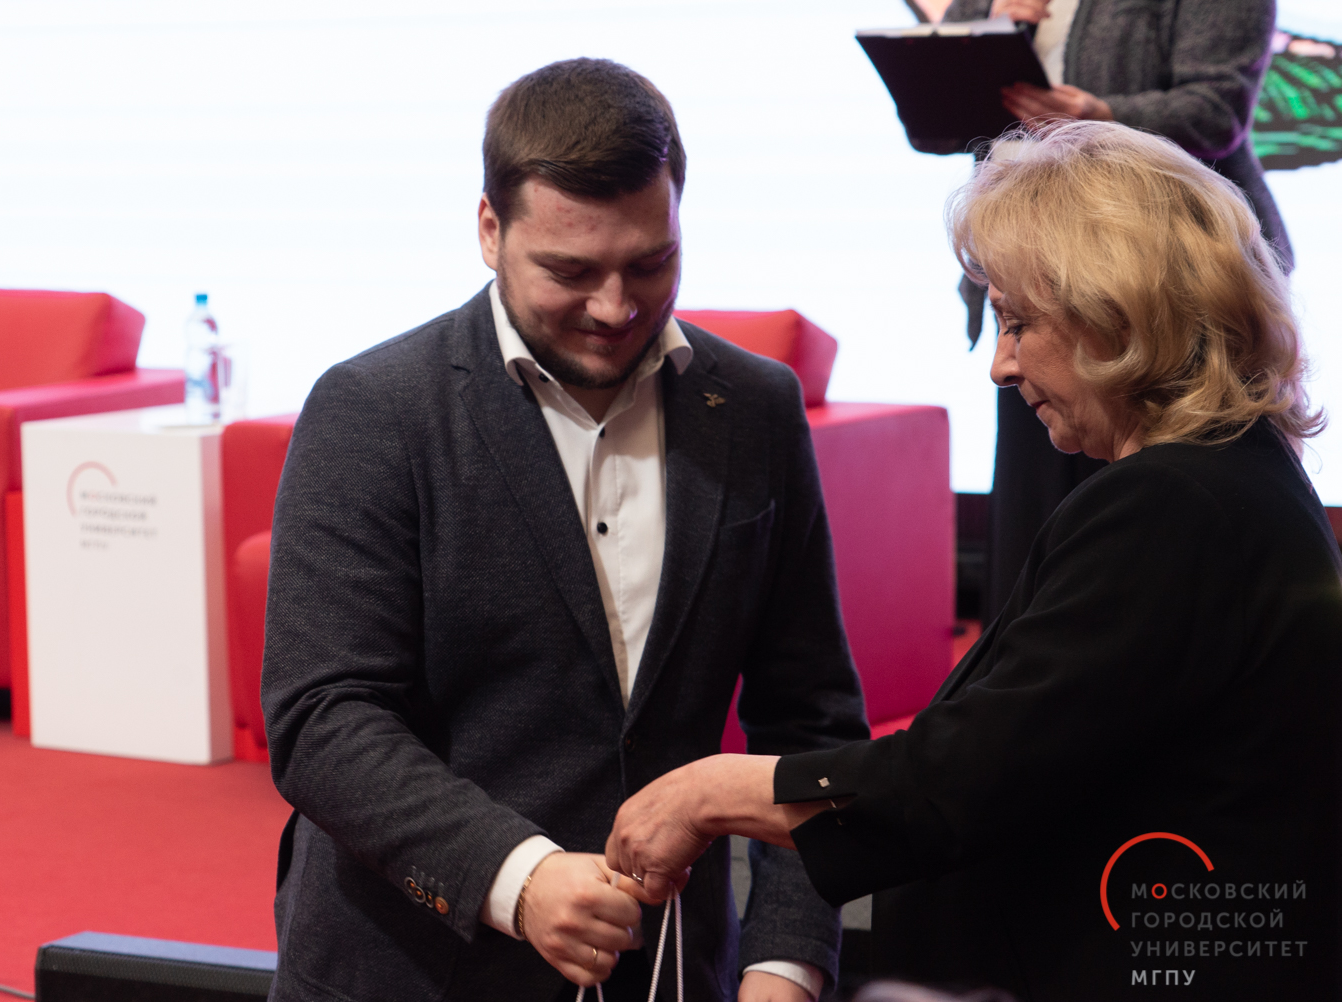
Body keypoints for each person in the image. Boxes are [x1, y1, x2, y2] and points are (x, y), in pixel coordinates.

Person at [605, 120, 1342, 1001]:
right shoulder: (1238, 480)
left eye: (1018, 323)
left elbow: (963, 778)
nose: (1000, 364)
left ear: (1122, 314)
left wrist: (709, 792)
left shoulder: (1173, 503)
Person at [260, 58, 868, 1002]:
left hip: (671, 971)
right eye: (570, 271)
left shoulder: (754, 407)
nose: (616, 308)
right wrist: (520, 877)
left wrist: (785, 963)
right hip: (414, 970)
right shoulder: (374, 410)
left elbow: (809, 724)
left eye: (651, 263)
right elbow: (323, 720)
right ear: (489, 230)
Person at [943, 0, 1294, 623]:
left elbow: (1216, 110)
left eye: (1012, 329)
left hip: (1161, 279)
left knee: (1160, 537)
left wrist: (1099, 120)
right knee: (1037, 528)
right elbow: (939, 103)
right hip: (1036, 269)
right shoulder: (1024, 328)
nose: (1002, 367)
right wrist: (992, 22)